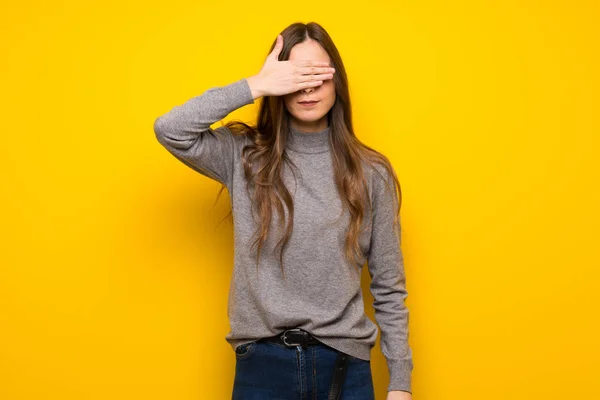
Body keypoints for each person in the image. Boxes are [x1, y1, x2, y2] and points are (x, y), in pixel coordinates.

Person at [154, 21, 413, 400]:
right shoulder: (244, 156)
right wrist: (255, 86)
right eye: (295, 74)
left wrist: (400, 383)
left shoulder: (371, 172)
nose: (307, 87)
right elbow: (170, 129)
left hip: (345, 367)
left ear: (337, 81)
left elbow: (389, 286)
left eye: (318, 74)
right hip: (262, 366)